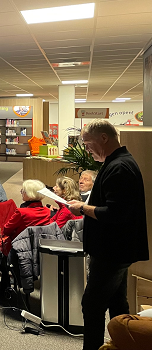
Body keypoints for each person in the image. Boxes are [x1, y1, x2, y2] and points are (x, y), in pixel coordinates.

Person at [68, 120, 148, 350]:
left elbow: (116, 213)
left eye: (87, 143)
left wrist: (82, 208)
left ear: (104, 138)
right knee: (117, 302)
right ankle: (122, 343)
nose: (86, 148)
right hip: (117, 250)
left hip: (112, 252)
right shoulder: (118, 162)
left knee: (92, 306)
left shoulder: (119, 167)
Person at [2, 179, 52, 243]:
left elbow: (7, 230)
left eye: (23, 191)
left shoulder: (21, 212)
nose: (21, 192)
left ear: (30, 194)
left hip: (19, 245)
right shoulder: (47, 211)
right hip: (39, 245)